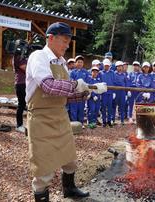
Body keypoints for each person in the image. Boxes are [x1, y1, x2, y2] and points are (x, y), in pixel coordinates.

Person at [26, 22, 107, 201]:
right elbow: (48, 86)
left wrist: (88, 91)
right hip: (41, 117)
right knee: (43, 167)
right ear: (51, 38)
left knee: (70, 159)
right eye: (64, 40)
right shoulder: (38, 57)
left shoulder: (62, 63)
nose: (67, 45)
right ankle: (42, 196)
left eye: (69, 41)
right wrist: (76, 85)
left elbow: (67, 94)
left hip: (60, 115)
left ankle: (69, 189)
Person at [69, 55, 89, 126]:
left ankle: (81, 124)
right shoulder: (72, 72)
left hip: (82, 95)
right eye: (78, 62)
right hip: (73, 95)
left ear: (83, 63)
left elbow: (87, 84)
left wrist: (86, 94)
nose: (80, 63)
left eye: (81, 62)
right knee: (73, 110)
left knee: (81, 110)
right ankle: (74, 125)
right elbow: (71, 83)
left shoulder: (86, 72)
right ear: (75, 63)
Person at [13, 48, 27, 133]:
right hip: (21, 83)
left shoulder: (20, 57)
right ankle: (19, 125)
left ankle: (22, 124)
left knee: (24, 104)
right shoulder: (18, 57)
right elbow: (25, 68)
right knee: (21, 105)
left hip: (23, 83)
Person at [99, 58, 115, 127]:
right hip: (103, 93)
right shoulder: (100, 73)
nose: (106, 67)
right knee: (103, 107)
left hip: (110, 93)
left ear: (110, 66)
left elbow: (114, 82)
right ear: (103, 65)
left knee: (109, 108)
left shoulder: (112, 73)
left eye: (108, 65)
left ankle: (109, 121)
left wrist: (114, 92)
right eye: (105, 65)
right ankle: (104, 121)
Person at [112, 61, 127, 125]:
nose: (119, 68)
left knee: (122, 106)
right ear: (116, 67)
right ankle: (113, 120)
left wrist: (126, 92)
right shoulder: (113, 74)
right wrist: (113, 92)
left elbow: (126, 83)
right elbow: (112, 82)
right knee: (114, 106)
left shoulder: (124, 75)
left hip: (122, 92)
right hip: (115, 91)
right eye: (118, 66)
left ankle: (122, 120)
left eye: (121, 66)